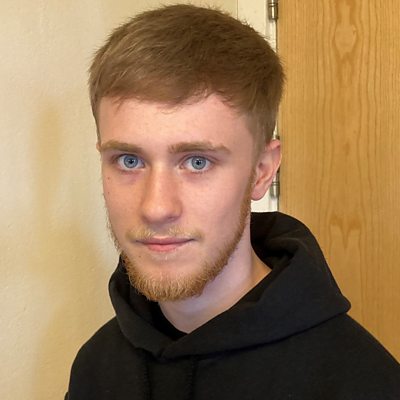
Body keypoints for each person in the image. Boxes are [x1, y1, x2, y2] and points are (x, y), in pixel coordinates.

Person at [66, 4, 400, 399]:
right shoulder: (96, 366)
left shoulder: (364, 383)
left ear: (261, 171)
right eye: (129, 160)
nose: (156, 208)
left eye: (197, 162)